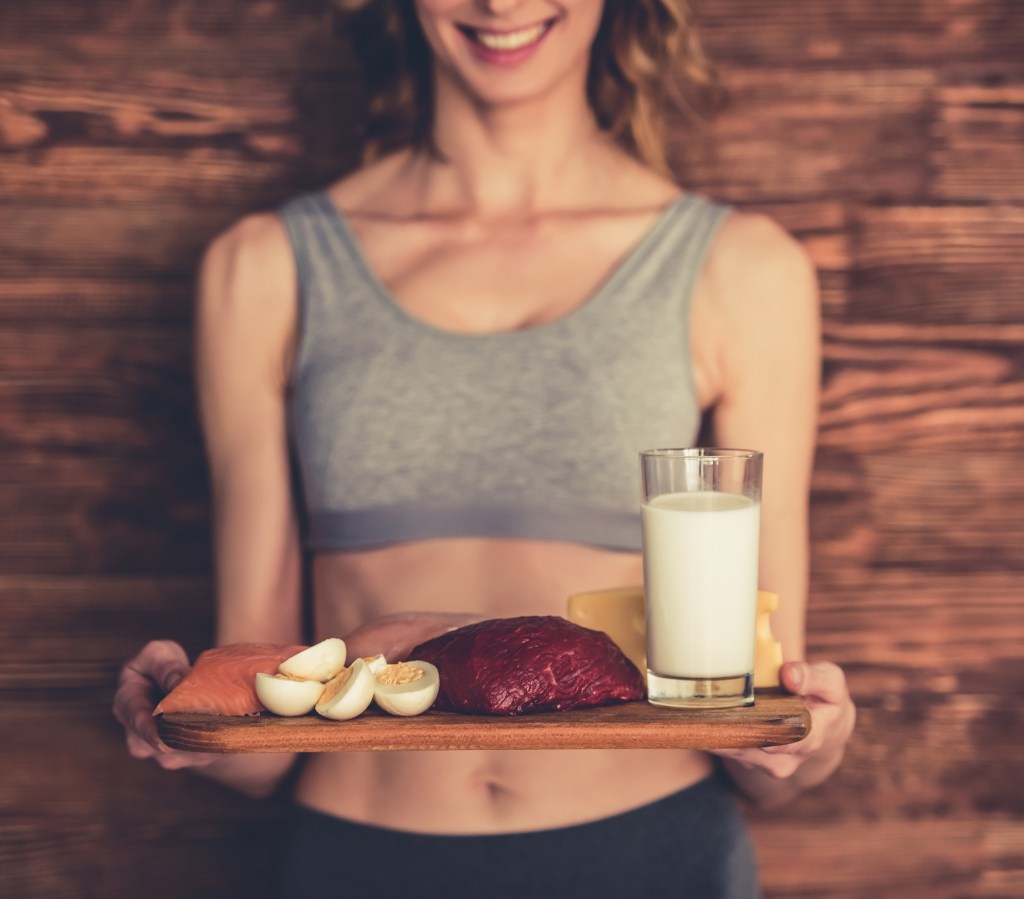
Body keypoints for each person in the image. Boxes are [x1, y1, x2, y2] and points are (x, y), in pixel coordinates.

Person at [114, 0, 856, 896]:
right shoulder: (262, 269)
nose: (501, 3)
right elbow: (263, 747)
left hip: (655, 855)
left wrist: (811, 740)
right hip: (360, 861)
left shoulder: (744, 270)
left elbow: (765, 730)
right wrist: (187, 726)